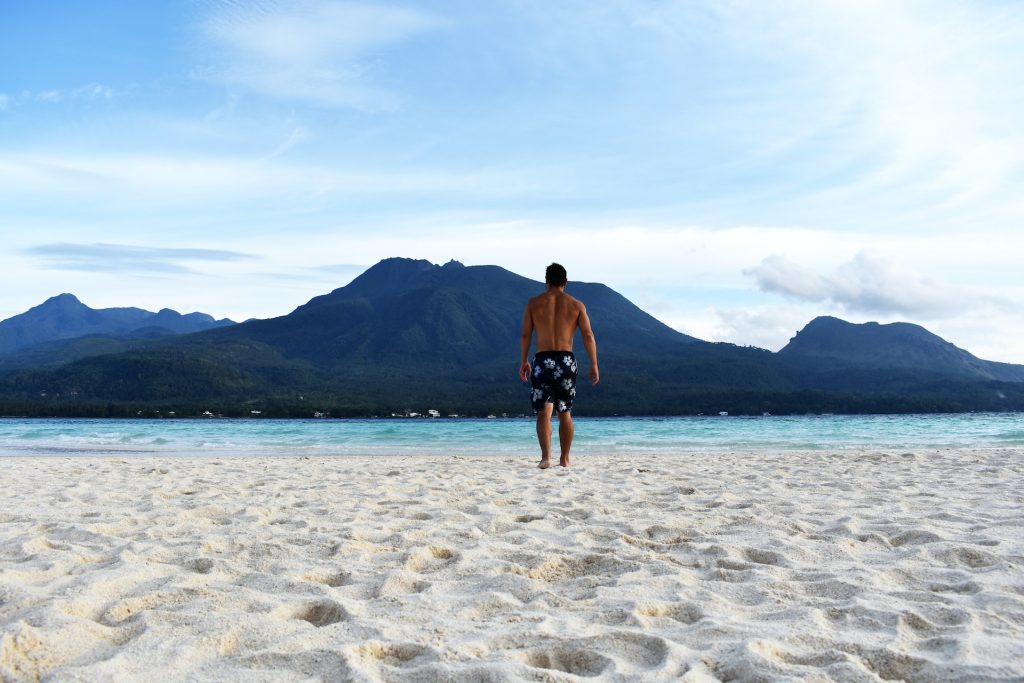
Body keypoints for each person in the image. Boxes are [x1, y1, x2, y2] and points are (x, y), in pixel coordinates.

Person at [518, 263, 599, 469]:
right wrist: (594, 363)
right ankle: (564, 459)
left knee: (544, 412)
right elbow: (588, 335)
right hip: (566, 361)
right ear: (566, 282)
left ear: (546, 282)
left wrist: (524, 361)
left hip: (542, 360)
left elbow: (526, 334)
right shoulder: (576, 305)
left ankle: (546, 457)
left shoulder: (534, 304)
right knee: (565, 412)